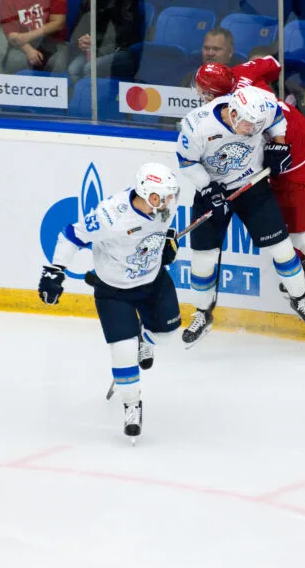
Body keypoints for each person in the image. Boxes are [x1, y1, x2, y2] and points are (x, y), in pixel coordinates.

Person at [193, 59, 305, 317]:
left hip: (293, 163)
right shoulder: (240, 73)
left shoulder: (230, 115)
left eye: (201, 89)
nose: (199, 94)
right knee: (279, 225)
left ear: (212, 94)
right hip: (300, 138)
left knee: (301, 234)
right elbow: (273, 63)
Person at [37, 163, 183, 441]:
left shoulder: (163, 206)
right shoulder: (109, 216)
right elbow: (72, 235)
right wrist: (54, 271)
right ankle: (132, 404)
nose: (167, 203)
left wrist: (166, 244)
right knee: (124, 353)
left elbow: (159, 232)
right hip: (114, 291)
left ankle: (144, 338)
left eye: (169, 196)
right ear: (144, 192)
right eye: (160, 197)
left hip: (153, 282)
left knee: (167, 334)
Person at [176, 85, 305, 346]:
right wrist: (207, 188)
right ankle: (202, 314)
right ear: (233, 113)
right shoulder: (197, 125)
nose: (254, 130)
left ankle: (299, 299)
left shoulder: (262, 106)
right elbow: (186, 161)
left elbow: (277, 119)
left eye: (258, 125)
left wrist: (279, 146)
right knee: (203, 261)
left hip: (254, 186)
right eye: (248, 124)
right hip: (213, 190)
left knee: (282, 249)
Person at [66, 0, 144, 86]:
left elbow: (126, 29)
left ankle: (94, 105)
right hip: (94, 48)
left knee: (89, 69)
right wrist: (81, 40)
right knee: (73, 70)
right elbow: (80, 25)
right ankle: (83, 102)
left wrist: (96, 42)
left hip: (120, 50)